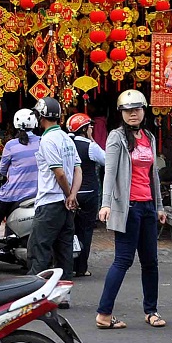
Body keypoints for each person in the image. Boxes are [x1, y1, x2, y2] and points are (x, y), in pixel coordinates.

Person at [95, 90, 166, 330]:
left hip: (147, 207)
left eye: (136, 109)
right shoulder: (116, 137)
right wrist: (105, 204)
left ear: (144, 110)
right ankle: (104, 314)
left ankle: (151, 311)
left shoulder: (149, 137)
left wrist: (159, 206)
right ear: (122, 114)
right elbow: (110, 172)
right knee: (123, 260)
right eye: (127, 110)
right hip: (128, 208)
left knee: (151, 262)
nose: (133, 113)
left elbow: (153, 175)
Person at [28, 96, 79, 277]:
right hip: (66, 206)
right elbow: (77, 169)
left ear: (41, 117)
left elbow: (60, 173)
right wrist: (72, 195)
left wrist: (68, 194)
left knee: (39, 251)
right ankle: (64, 296)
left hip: (50, 203)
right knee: (64, 253)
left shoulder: (47, 140)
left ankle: (37, 296)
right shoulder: (67, 139)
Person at [0, 109, 40, 269]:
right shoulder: (42, 141)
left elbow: (2, 170)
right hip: (36, 194)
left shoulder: (11, 145)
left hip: (12, 195)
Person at [67, 112, 106, 278]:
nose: (92, 129)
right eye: (90, 126)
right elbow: (106, 160)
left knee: (68, 230)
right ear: (84, 129)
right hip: (88, 193)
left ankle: (66, 265)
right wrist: (93, 140)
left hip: (69, 193)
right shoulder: (90, 146)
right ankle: (81, 268)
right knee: (85, 231)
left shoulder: (66, 144)